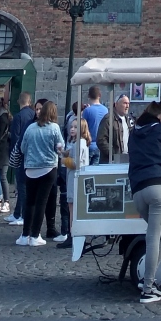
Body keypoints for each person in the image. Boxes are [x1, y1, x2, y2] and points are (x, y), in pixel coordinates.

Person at [127, 100, 161, 303]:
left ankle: (146, 279)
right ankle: (148, 289)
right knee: (153, 238)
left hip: (138, 190)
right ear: (160, 117)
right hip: (158, 186)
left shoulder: (134, 133)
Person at [17, 100, 65, 246]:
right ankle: (35, 235)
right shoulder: (54, 128)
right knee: (41, 203)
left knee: (30, 202)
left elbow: (22, 148)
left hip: (30, 168)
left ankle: (25, 235)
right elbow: (60, 149)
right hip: (48, 168)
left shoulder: (30, 128)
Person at [58, 117, 90, 249]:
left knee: (73, 208)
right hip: (75, 178)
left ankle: (73, 235)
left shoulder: (79, 143)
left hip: (75, 179)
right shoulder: (78, 143)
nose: (72, 129)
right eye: (71, 126)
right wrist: (63, 153)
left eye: (76, 127)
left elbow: (76, 163)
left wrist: (63, 161)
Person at [4, 92, 36, 226]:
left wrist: (14, 155)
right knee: (23, 187)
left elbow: (16, 138)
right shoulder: (33, 115)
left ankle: (22, 215)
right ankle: (17, 213)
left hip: (21, 155)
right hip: (31, 154)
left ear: (19, 101)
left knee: (21, 187)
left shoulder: (18, 116)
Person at [97, 93, 133, 163]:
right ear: (116, 104)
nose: (127, 106)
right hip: (111, 161)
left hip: (125, 159)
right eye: (125, 103)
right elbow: (101, 140)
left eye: (128, 103)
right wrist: (113, 155)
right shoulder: (108, 119)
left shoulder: (128, 119)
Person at [82, 86, 108, 164]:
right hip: (101, 146)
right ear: (100, 95)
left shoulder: (87, 111)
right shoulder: (106, 110)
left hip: (90, 144)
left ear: (89, 96)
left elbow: (83, 127)